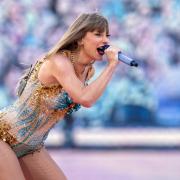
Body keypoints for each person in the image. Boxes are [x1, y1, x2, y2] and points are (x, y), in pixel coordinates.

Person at [0, 13, 120, 180]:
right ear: (79, 39)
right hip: (4, 136)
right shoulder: (59, 62)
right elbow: (85, 98)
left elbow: (89, 98)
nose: (105, 41)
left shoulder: (87, 71)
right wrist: (112, 65)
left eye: (107, 35)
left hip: (32, 145)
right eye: (98, 34)